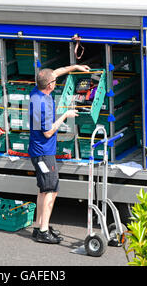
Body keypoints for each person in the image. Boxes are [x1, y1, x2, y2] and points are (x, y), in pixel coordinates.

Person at [29, 64, 90, 244]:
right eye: (54, 82)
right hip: (43, 153)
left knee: (44, 189)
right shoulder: (42, 105)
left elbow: (54, 72)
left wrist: (76, 67)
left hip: (39, 152)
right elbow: (48, 132)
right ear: (49, 85)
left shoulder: (36, 91)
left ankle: (40, 226)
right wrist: (65, 115)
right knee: (51, 190)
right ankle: (43, 231)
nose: (56, 82)